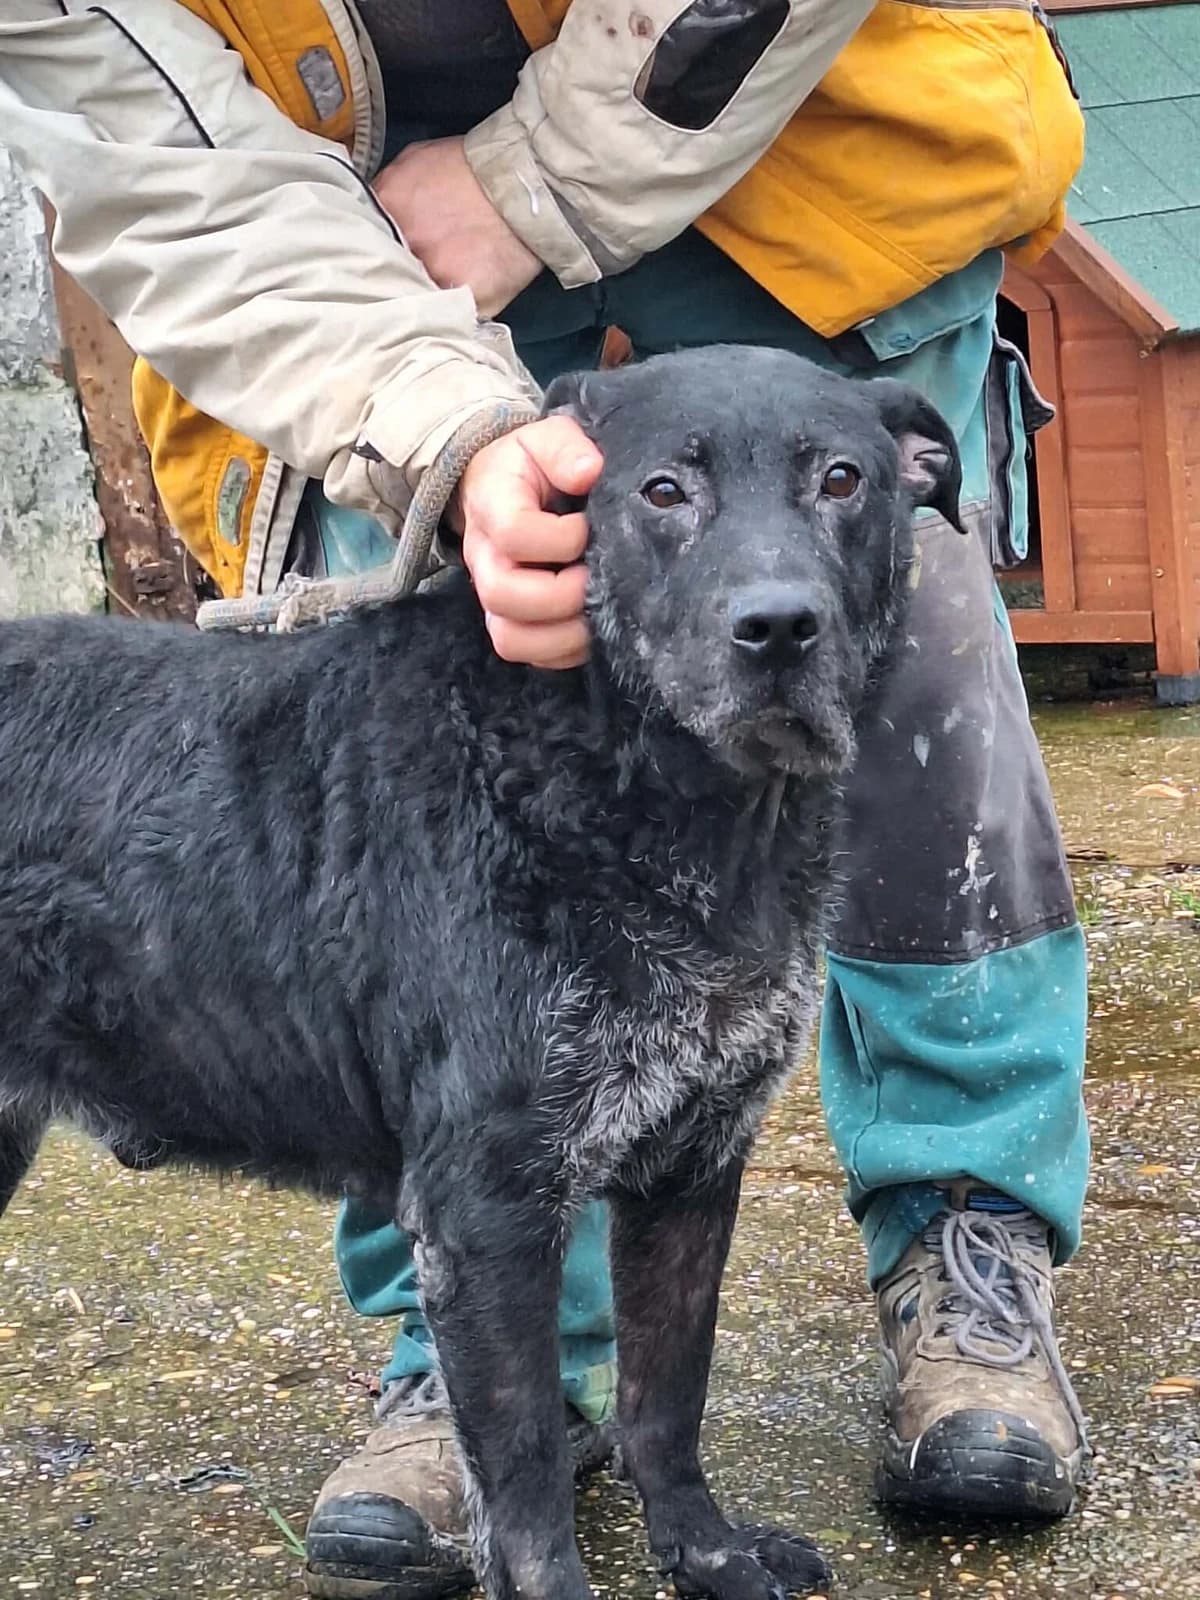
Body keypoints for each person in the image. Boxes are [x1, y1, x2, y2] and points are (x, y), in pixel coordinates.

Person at [0, 5, 1092, 1597]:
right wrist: (436, 418)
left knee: (915, 700)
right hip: (341, 201)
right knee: (412, 821)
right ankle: (463, 1365)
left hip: (802, 145)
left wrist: (522, 187)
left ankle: (966, 1233)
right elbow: (133, 132)